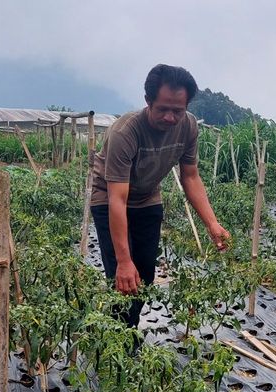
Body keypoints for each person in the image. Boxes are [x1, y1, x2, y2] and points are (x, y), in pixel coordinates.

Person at [90, 64, 231, 328]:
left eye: (178, 110)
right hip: (109, 200)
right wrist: (123, 260)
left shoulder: (188, 127)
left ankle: (124, 330)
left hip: (147, 199)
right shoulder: (126, 132)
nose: (170, 118)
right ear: (148, 101)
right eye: (163, 109)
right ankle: (120, 341)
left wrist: (212, 224)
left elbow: (190, 176)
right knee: (123, 277)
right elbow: (117, 199)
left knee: (144, 273)